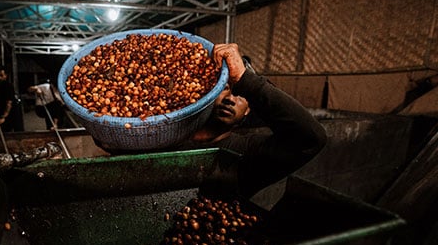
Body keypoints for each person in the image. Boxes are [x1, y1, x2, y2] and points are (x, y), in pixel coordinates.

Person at [98, 43, 327, 200]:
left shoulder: (247, 154)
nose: (231, 98)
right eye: (225, 88)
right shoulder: (164, 138)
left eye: (241, 94)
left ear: (249, 111)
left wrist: (245, 80)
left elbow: (311, 139)